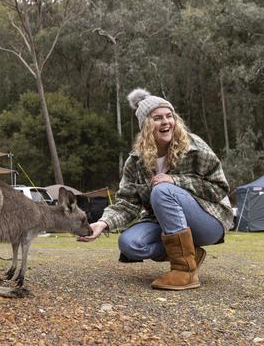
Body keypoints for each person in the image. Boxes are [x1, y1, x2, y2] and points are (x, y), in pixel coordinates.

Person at [78, 88, 233, 291]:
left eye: (170, 116)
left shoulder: (193, 147)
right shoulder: (135, 161)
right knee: (129, 244)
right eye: (157, 118)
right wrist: (102, 223)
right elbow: (127, 204)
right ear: (145, 125)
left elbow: (220, 188)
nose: (166, 122)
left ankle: (184, 271)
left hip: (208, 220)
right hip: (163, 222)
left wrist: (175, 181)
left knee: (162, 189)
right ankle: (190, 253)